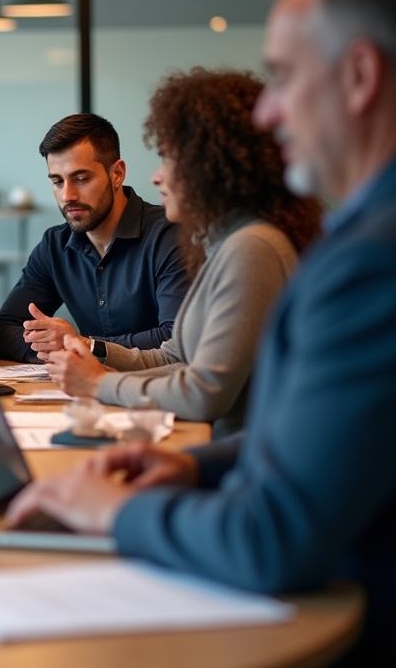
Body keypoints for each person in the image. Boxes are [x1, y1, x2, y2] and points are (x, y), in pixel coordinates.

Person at [7, 0, 396, 668]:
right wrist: (188, 461)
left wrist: (111, 512)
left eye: (285, 77)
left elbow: (272, 539)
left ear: (358, 78)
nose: (268, 112)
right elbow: (300, 443)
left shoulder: (367, 265)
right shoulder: (355, 239)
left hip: (358, 647)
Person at [44, 69, 321, 437]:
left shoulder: (251, 248)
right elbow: (174, 358)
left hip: (230, 460)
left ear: (212, 167)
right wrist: (93, 354)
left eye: (168, 159)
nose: (156, 177)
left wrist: (99, 385)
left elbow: (204, 393)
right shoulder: (224, 244)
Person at [0, 114, 191, 362]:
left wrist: (83, 346)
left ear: (117, 173)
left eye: (81, 179)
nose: (67, 195)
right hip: (84, 391)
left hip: (154, 393)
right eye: (57, 181)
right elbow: (3, 329)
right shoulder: (54, 246)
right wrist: (67, 351)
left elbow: (176, 340)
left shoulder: (169, 236)